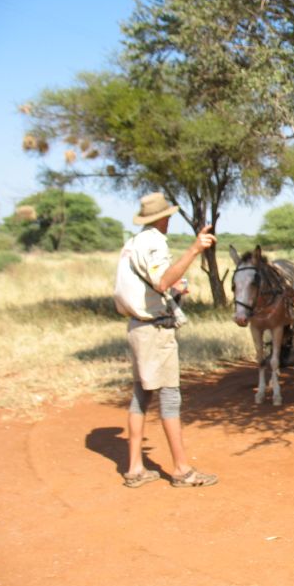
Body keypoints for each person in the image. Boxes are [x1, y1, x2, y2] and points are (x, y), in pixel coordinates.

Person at [115, 192, 218, 488]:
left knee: (140, 394)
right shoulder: (155, 242)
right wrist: (194, 249)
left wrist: (175, 285)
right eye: (169, 216)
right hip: (154, 331)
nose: (170, 220)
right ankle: (182, 470)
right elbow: (161, 281)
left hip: (136, 327)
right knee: (170, 396)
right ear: (163, 217)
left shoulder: (133, 243)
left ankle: (135, 468)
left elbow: (156, 283)